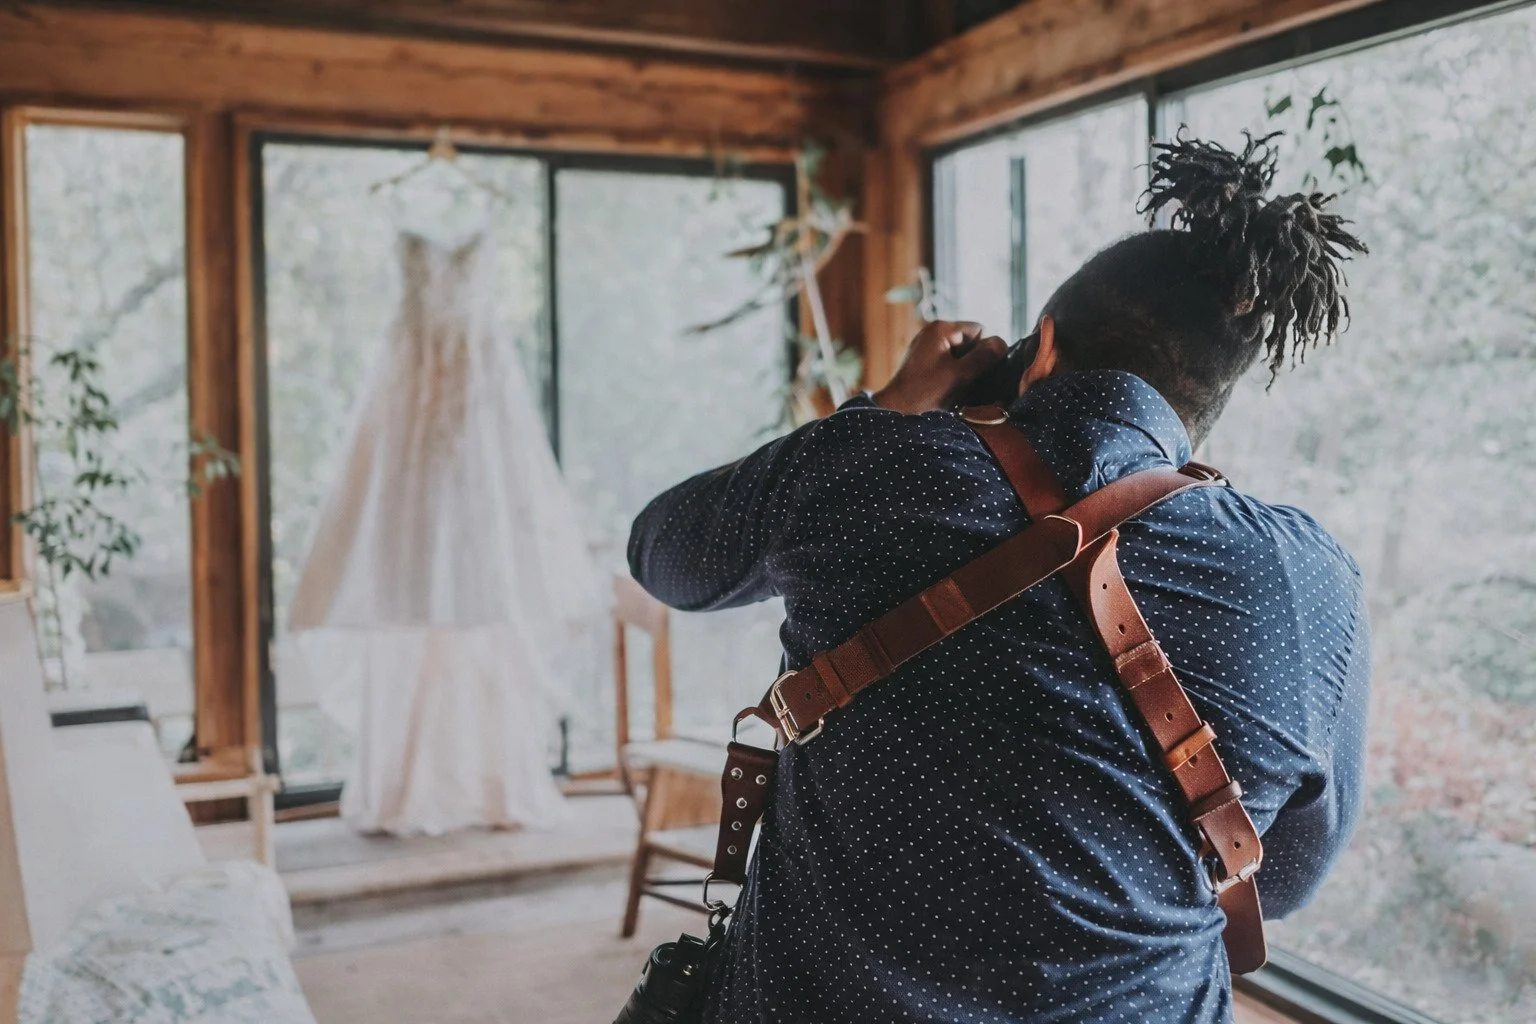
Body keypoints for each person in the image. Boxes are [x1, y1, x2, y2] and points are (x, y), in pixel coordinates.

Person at [627, 133, 1371, 1023]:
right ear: (1201, 410)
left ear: (1042, 348)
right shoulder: (1308, 581)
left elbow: (664, 551)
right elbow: (1280, 880)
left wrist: (893, 404)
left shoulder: (866, 468)